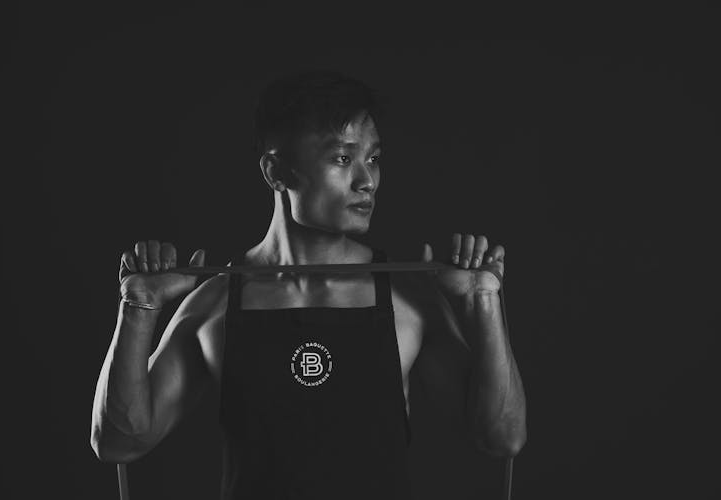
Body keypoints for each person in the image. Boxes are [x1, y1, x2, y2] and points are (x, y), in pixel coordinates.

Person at [90, 69, 527, 498]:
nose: (366, 180)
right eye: (342, 158)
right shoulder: (216, 303)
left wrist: (482, 304)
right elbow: (117, 442)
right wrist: (138, 306)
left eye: (373, 158)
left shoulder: (407, 300)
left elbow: (503, 439)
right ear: (277, 172)